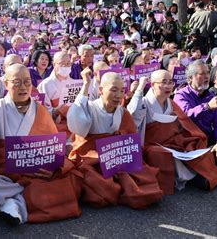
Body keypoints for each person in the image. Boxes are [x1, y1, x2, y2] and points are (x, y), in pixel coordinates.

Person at [0, 64, 83, 224]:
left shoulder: (40, 110)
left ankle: (8, 201)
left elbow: (53, 148)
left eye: (27, 82)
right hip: (4, 173)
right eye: (17, 82)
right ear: (6, 83)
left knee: (71, 180)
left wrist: (52, 169)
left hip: (34, 172)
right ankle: (21, 199)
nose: (23, 87)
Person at [67, 70, 163, 208]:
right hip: (92, 157)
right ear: (100, 90)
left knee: (144, 176)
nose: (119, 96)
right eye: (114, 90)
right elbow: (78, 126)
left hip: (114, 157)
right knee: (99, 184)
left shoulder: (122, 112)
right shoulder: (90, 108)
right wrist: (86, 84)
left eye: (122, 91)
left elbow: (130, 137)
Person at [127, 70, 217, 195]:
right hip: (152, 144)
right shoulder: (144, 102)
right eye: (164, 82)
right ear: (152, 85)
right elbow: (133, 114)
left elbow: (184, 122)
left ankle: (197, 176)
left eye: (170, 82)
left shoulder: (171, 103)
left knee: (195, 143)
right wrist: (140, 89)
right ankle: (181, 180)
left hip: (172, 141)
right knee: (159, 154)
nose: (168, 86)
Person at [174, 60, 217, 164]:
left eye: (207, 72)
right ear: (190, 78)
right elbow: (186, 116)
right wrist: (207, 107)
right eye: (202, 74)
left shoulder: (211, 96)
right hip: (189, 141)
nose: (207, 77)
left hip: (207, 139)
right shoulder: (181, 95)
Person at [37, 52, 74, 135]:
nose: (66, 66)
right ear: (54, 64)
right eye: (62, 63)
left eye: (68, 63)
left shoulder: (73, 83)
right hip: (54, 130)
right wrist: (56, 112)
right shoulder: (45, 85)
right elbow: (41, 112)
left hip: (73, 127)